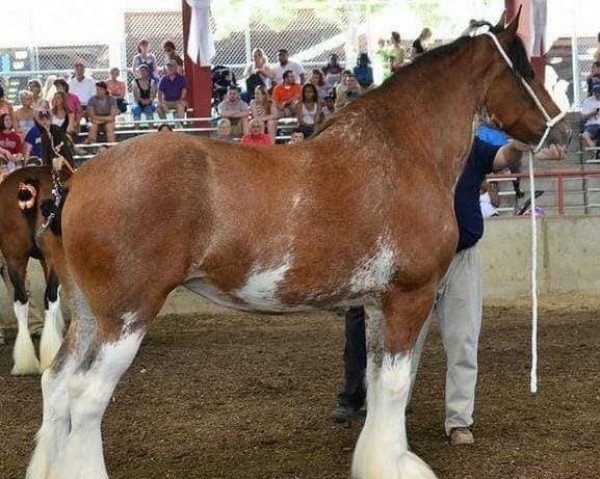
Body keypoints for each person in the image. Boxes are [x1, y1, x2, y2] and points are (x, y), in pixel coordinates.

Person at [331, 135, 566, 447]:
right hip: (417, 262)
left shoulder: (471, 145)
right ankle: (390, 419)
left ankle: (459, 421)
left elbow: (501, 156)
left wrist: (524, 144)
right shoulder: (410, 146)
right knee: (404, 346)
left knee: (462, 341)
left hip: (461, 257)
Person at [581, 81, 600, 150]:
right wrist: (593, 113)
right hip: (592, 125)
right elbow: (583, 118)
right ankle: (596, 151)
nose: (597, 94)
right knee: (585, 135)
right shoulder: (588, 101)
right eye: (595, 92)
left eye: (599, 92)